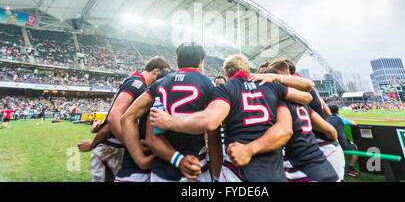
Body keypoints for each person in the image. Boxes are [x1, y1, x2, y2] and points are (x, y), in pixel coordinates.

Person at [150, 54, 314, 182]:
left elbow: (210, 120)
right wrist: (278, 78)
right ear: (248, 70)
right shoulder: (270, 84)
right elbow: (308, 93)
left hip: (237, 170)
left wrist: (170, 121)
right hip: (273, 170)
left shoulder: (225, 89)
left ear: (226, 73)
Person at [121, 43, 218, 182]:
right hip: (196, 168)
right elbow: (213, 136)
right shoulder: (209, 84)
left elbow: (127, 117)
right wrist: (217, 175)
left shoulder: (159, 83)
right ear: (200, 62)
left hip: (163, 169)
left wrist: (139, 158)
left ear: (178, 61)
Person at [78, 56, 170, 182]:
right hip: (110, 150)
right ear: (156, 71)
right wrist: (134, 145)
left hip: (112, 149)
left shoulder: (135, 82)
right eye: (163, 75)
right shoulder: (138, 84)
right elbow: (114, 117)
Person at [327, 105, 360, 177]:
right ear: (338, 111)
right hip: (342, 144)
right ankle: (351, 169)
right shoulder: (340, 118)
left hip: (330, 144)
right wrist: (343, 118)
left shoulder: (326, 119)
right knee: (355, 148)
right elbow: (355, 123)